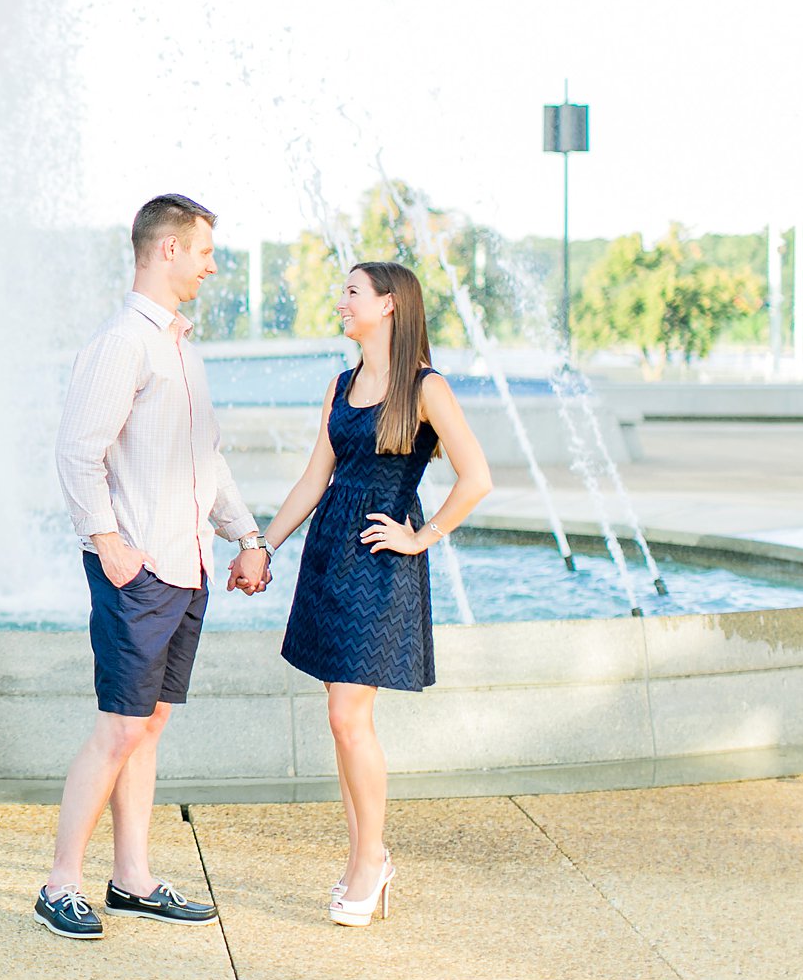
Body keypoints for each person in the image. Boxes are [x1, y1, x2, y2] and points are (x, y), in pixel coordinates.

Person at [34, 194, 274, 940]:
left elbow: (206, 460)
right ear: (166, 250)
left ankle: (132, 879)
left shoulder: (181, 348)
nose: (211, 264)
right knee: (117, 728)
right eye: (204, 250)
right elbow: (79, 450)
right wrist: (108, 542)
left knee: (148, 727)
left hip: (185, 566)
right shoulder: (123, 343)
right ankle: (58, 884)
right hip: (136, 569)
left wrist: (246, 534)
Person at [232, 261, 492, 927]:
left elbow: (477, 477)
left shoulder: (426, 387)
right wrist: (262, 543)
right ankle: (362, 859)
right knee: (340, 719)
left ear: (390, 306)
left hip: (380, 563)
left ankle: (371, 860)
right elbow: (314, 479)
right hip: (328, 558)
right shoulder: (340, 385)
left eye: (352, 291)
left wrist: (421, 536)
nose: (340, 300)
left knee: (351, 718)